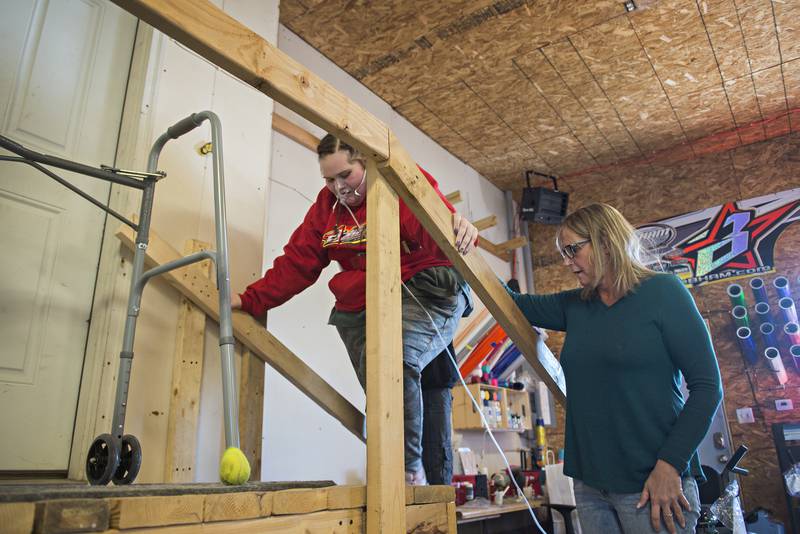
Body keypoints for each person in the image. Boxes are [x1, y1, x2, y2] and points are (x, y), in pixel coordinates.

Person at [232, 134, 476, 485]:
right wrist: (249, 299)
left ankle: (409, 471)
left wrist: (457, 225)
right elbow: (297, 263)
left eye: (345, 175)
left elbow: (436, 223)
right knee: (379, 379)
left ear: (366, 162)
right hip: (363, 297)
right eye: (329, 179)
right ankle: (396, 465)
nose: (338, 187)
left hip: (426, 284)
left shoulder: (396, 181)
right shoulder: (326, 208)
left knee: (396, 358)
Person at [506, 203, 722, 534]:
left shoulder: (664, 293)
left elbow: (708, 387)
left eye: (573, 250)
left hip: (652, 483)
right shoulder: (576, 305)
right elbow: (510, 301)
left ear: (605, 242)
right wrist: (461, 244)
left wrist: (671, 465)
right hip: (591, 486)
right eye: (564, 253)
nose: (567, 262)